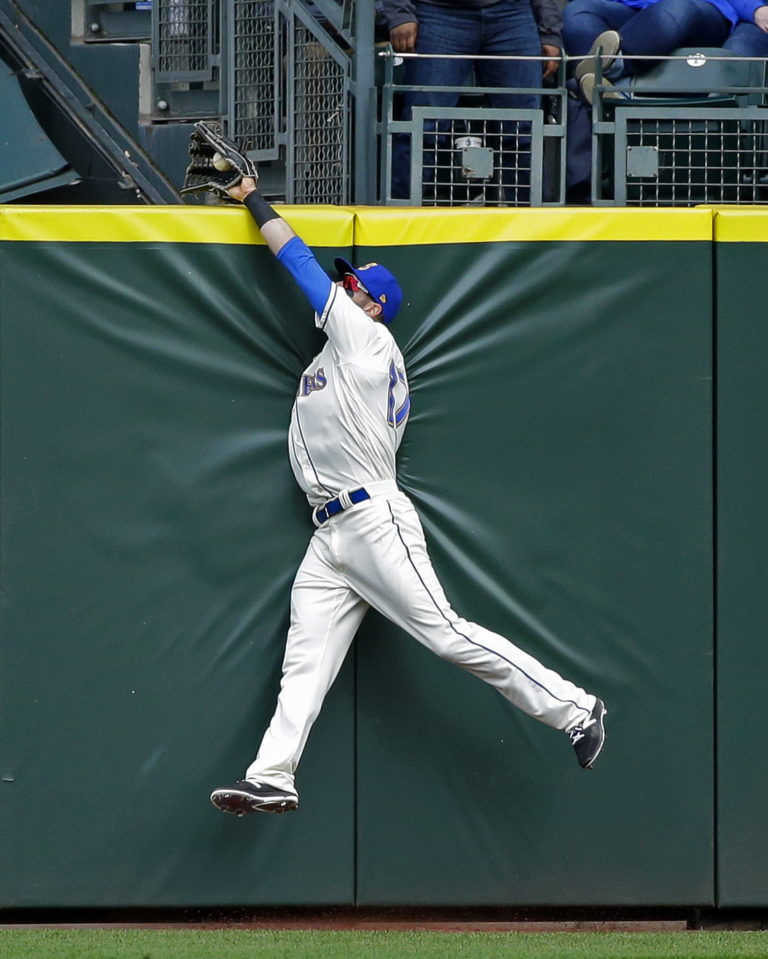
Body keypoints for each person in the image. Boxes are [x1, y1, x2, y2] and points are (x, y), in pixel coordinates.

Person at [209, 175, 607, 817]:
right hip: (331, 534)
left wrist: (252, 199)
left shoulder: (368, 341)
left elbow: (302, 265)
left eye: (354, 287)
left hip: (372, 518)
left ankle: (576, 708)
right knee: (304, 661)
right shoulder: (337, 357)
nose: (342, 288)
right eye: (347, 282)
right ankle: (273, 776)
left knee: (447, 634)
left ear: (373, 308)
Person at [379, 0, 565, 201]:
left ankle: (535, 227)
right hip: (438, 11)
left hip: (513, 12)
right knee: (421, 130)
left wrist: (549, 30)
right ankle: (396, 221)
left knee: (523, 132)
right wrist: (400, 13)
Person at [562, 0, 762, 101]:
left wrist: (754, 9)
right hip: (639, 10)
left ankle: (610, 73)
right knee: (578, 10)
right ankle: (600, 88)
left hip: (702, 13)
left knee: (676, 7)